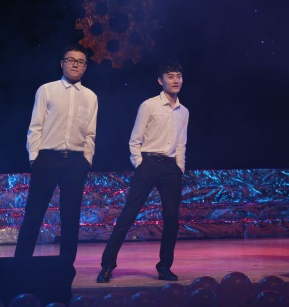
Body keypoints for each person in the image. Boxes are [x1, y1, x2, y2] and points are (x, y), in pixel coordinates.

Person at [97, 61, 189, 283]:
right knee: (128, 214)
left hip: (171, 168)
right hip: (148, 164)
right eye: (170, 76)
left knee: (171, 219)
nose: (175, 80)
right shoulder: (149, 105)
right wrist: (140, 163)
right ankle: (107, 265)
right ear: (160, 80)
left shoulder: (184, 111)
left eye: (178, 76)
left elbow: (181, 143)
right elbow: (135, 139)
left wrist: (179, 167)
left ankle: (164, 267)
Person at [14, 45, 97, 280]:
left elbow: (90, 133)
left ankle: (65, 270)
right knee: (34, 215)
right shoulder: (47, 90)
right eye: (70, 60)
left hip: (75, 162)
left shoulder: (90, 96)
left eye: (80, 61)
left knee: (70, 218)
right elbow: (35, 127)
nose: (75, 64)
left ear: (85, 67)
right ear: (62, 64)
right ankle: (19, 268)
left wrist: (86, 160)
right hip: (47, 159)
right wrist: (35, 158)